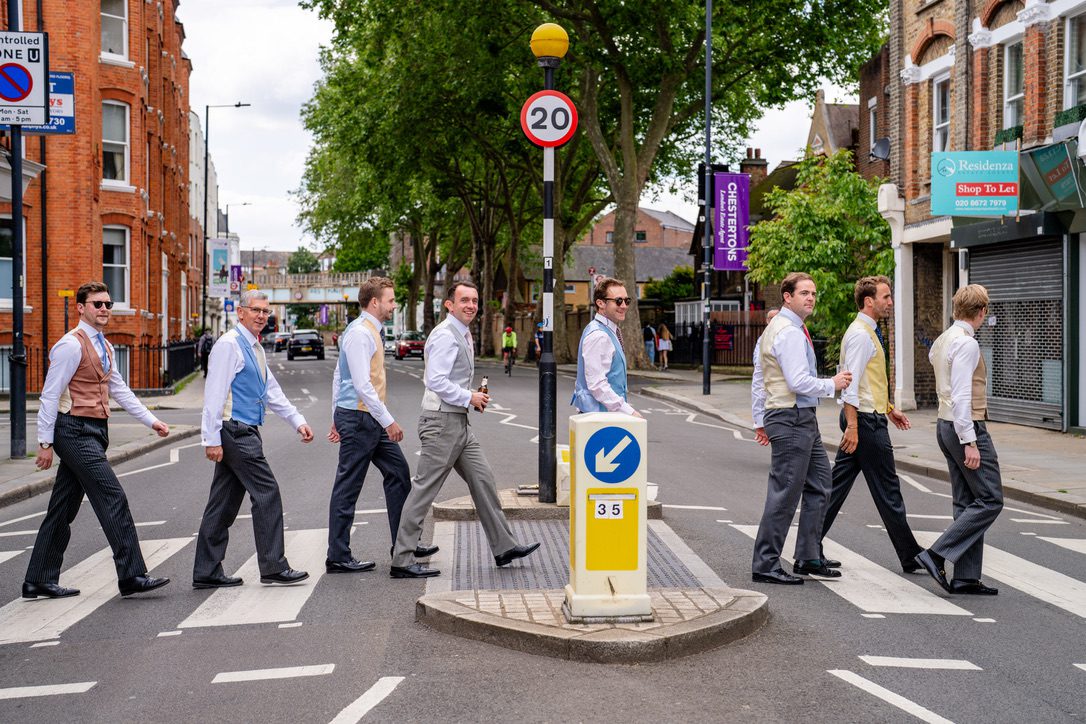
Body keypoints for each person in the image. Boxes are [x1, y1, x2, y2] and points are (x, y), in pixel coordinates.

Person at [23, 281, 171, 599]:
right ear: (81, 308)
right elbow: (49, 396)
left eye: (108, 304)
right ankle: (131, 575)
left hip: (96, 432)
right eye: (97, 304)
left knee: (62, 508)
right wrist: (45, 443)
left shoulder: (103, 345)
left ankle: (37, 578)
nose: (104, 309)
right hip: (73, 431)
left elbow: (118, 389)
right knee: (112, 496)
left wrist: (151, 420)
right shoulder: (70, 346)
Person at [390, 281, 540, 578]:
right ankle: (402, 559)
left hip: (458, 421)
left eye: (474, 300)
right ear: (449, 304)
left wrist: (472, 397)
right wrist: (468, 397)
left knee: (483, 480)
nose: (471, 305)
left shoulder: (462, 332)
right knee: (424, 490)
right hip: (441, 422)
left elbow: (450, 381)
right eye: (464, 301)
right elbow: (435, 380)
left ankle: (504, 547)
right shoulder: (446, 335)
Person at [194, 289, 315, 588]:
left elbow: (271, 390)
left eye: (265, 311)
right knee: (267, 493)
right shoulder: (228, 345)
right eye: (256, 310)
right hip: (235, 430)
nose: (262, 316)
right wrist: (210, 439)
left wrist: (297, 421)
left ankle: (206, 571)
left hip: (244, 429)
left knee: (223, 502)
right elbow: (214, 395)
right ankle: (273, 566)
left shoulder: (255, 348)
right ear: (241, 312)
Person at [751, 273, 851, 585]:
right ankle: (766, 564)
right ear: (787, 297)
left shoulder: (783, 328)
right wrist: (832, 385)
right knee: (785, 494)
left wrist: (759, 418)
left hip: (797, 417)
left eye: (813, 293)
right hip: (792, 417)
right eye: (804, 293)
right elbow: (797, 382)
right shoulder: (788, 332)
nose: (810, 298)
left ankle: (808, 556)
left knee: (821, 483)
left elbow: (760, 376)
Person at [819, 276, 922, 573]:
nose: (890, 302)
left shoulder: (866, 332)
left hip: (868, 416)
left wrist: (889, 408)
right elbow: (850, 385)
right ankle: (911, 555)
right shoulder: (862, 335)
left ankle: (808, 548)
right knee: (888, 490)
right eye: (886, 297)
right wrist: (852, 426)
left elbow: (866, 382)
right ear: (869, 301)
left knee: (836, 488)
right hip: (864, 422)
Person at [915, 284, 1002, 596]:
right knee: (991, 499)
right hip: (966, 426)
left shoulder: (942, 340)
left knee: (967, 502)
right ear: (981, 313)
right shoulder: (966, 344)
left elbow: (940, 371)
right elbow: (962, 393)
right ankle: (937, 554)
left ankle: (965, 577)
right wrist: (970, 440)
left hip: (944, 424)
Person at [325, 277, 412, 573]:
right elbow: (360, 384)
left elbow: (339, 375)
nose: (393, 304)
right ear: (374, 302)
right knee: (348, 487)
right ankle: (338, 555)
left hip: (364, 417)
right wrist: (388, 421)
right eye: (390, 300)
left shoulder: (369, 331)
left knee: (399, 473)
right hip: (362, 419)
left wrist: (335, 415)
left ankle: (403, 545)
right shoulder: (361, 333)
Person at [572, 277, 639, 416]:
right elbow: (596, 384)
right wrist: (629, 411)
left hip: (604, 415)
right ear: (600, 303)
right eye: (618, 301)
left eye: (627, 301)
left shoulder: (606, 330)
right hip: (599, 416)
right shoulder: (599, 336)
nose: (624, 306)